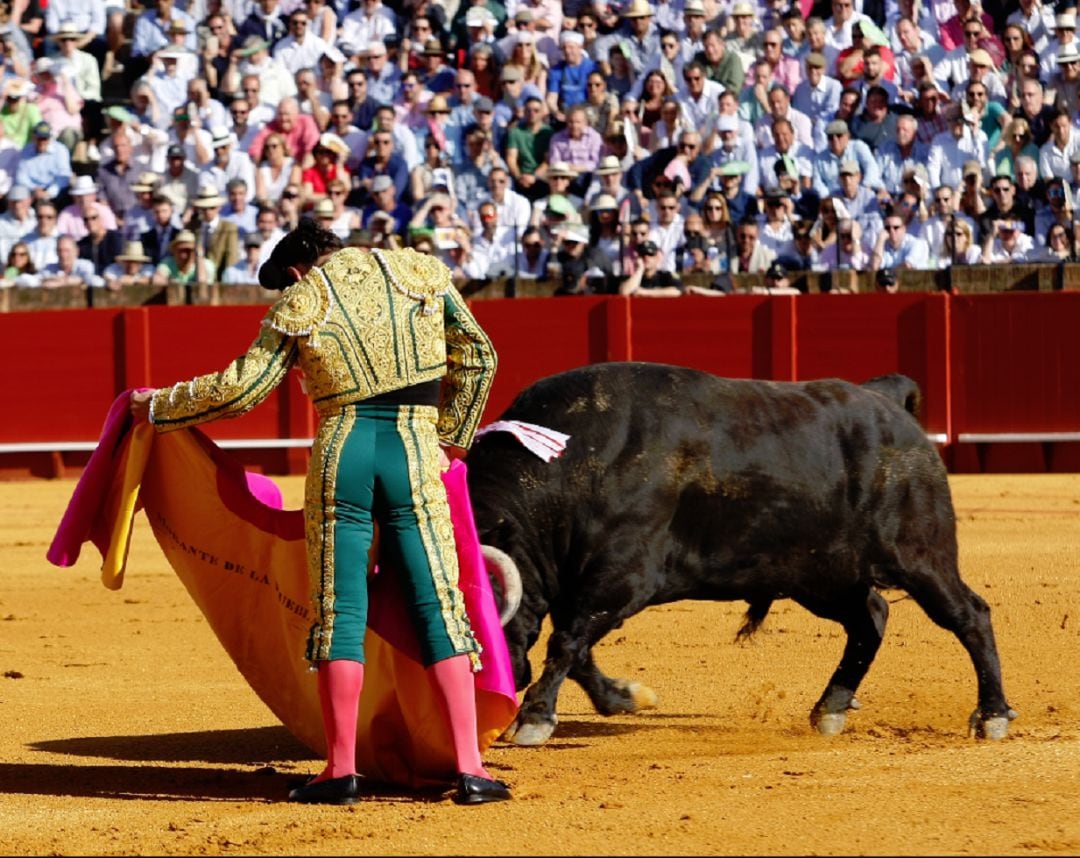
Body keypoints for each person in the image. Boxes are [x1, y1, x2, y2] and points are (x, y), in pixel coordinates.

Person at [129, 219, 506, 806]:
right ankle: (470, 768)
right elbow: (480, 358)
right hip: (412, 447)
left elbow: (244, 389)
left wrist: (160, 407)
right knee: (438, 603)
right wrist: (448, 441)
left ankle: (341, 770)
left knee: (340, 610)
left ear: (297, 271)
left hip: (345, 452)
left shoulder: (306, 298)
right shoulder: (420, 271)